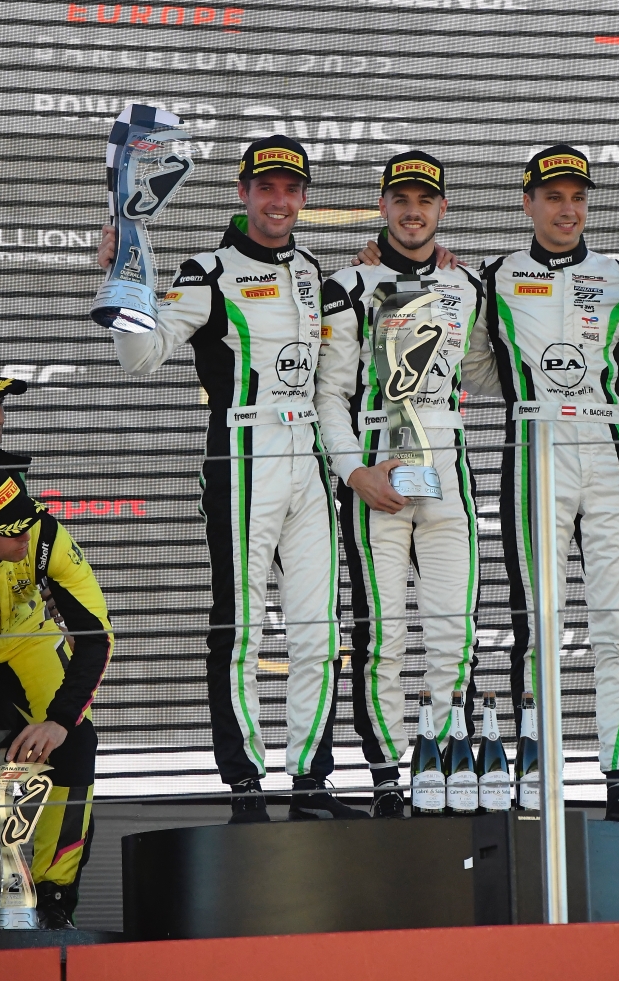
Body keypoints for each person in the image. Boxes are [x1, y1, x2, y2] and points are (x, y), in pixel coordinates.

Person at [358, 145, 619, 824]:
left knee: (617, 624)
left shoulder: (618, 275)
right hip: (534, 448)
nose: (566, 210)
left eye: (577, 197)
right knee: (537, 625)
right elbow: (466, 362)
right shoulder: (493, 277)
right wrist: (376, 260)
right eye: (552, 197)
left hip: (606, 446)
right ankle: (532, 777)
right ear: (528, 204)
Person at [98, 135, 364, 822]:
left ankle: (311, 781)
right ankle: (245, 785)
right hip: (243, 450)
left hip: (308, 456)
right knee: (242, 628)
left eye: (291, 189)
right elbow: (142, 358)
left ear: (303, 198)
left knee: (319, 630)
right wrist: (123, 287)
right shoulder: (206, 271)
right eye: (266, 187)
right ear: (243, 193)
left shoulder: (311, 269)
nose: (279, 200)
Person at [314, 150, 484, 818]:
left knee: (453, 635)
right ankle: (387, 777)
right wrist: (352, 471)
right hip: (375, 477)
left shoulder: (467, 285)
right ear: (382, 206)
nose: (413, 212)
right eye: (401, 200)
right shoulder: (345, 284)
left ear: (442, 209)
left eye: (425, 201)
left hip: (447, 475)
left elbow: (486, 371)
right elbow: (329, 393)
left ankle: (445, 768)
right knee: (381, 639)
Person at [0, 466, 111, 929]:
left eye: (27, 518)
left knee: (77, 741)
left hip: (28, 637)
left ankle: (53, 897)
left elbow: (96, 637)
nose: (25, 533)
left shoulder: (44, 534)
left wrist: (61, 721)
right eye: (10, 530)